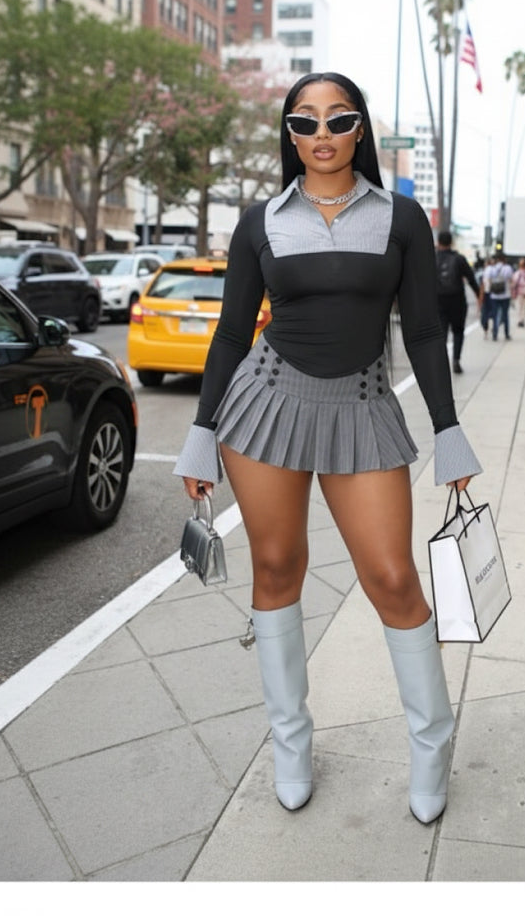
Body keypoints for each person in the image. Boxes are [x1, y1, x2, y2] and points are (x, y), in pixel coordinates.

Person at [173, 71, 482, 825]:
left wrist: (447, 429)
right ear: (289, 135)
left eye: (338, 120)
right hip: (265, 405)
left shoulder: (400, 218)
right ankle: (290, 746)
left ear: (359, 132)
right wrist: (199, 435)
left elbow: (420, 332)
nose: (321, 134)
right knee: (277, 566)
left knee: (391, 577)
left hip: (363, 407)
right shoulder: (260, 221)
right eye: (304, 122)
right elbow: (229, 332)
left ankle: (431, 745)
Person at [434, 231, 481, 373]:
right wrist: (479, 296)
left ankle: (440, 364)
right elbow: (471, 278)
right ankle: (456, 360)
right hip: (457, 301)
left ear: (438, 242)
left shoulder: (431, 258)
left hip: (438, 301)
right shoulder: (459, 259)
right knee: (458, 331)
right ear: (451, 242)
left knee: (440, 332)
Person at [488, 251, 514, 341]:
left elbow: (489, 280)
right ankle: (506, 334)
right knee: (505, 315)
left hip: (494, 295)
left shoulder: (492, 268)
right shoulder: (508, 268)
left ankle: (495, 334)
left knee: (495, 315)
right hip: (505, 295)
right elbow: (511, 280)